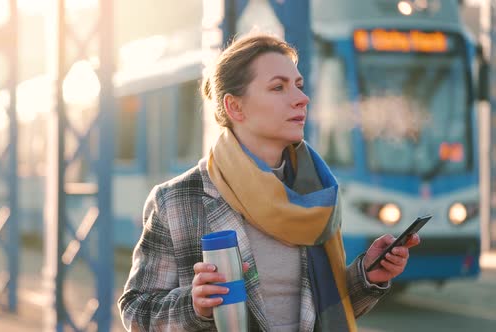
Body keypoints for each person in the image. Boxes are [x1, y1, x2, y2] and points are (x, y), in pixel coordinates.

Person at [118, 33, 420, 332]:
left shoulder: (316, 192)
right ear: (236, 108)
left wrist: (367, 274)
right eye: (279, 87)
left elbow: (325, 311)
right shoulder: (177, 199)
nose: (302, 98)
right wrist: (194, 305)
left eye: (299, 86)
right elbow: (135, 311)